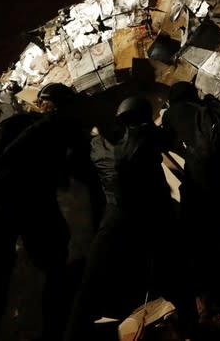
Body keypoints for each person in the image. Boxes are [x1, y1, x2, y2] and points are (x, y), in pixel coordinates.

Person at [64, 95, 198, 341]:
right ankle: (191, 329)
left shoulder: (97, 144)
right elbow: (172, 138)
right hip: (153, 217)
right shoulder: (147, 136)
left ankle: (73, 335)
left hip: (116, 218)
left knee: (90, 287)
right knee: (176, 278)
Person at [0, 82, 90, 341]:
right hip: (30, 205)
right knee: (57, 265)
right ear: (62, 107)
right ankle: (53, 333)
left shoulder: (10, 124)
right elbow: (64, 173)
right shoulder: (55, 129)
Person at [161, 81, 220, 341]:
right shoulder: (214, 114)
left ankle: (210, 309)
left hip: (199, 194)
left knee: (197, 250)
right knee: (218, 247)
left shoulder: (173, 113)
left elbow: (163, 142)